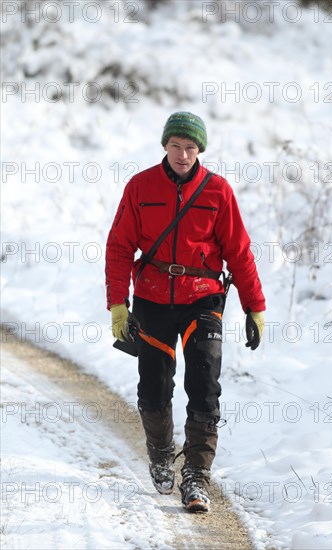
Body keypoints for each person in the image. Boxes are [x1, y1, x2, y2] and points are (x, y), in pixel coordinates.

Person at [105, 112, 265, 512]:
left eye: (191, 147)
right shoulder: (140, 186)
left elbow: (239, 252)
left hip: (203, 298)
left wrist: (254, 307)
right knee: (154, 385)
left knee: (204, 383)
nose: (182, 154)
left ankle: (196, 476)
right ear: (165, 146)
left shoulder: (218, 191)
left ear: (200, 151)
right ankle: (161, 454)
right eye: (176, 146)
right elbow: (120, 247)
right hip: (153, 298)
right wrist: (118, 305)